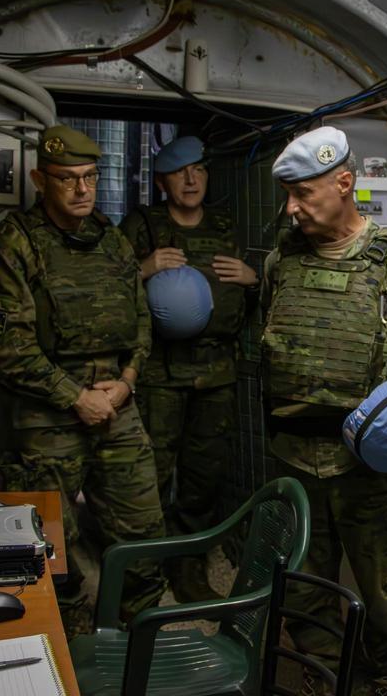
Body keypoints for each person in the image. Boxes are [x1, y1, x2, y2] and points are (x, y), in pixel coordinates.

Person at [261, 126, 387, 695]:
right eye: (288, 194)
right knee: (304, 582)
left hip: (366, 465)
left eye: (303, 193)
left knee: (381, 587)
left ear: (345, 183)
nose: (292, 207)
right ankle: (323, 672)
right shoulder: (282, 262)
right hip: (293, 454)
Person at [0, 125, 166, 636]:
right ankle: (65, 643)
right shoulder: (16, 242)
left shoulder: (112, 239)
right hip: (48, 414)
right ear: (40, 180)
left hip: (117, 404)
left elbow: (141, 320)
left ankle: (142, 636)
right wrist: (75, 397)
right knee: (49, 546)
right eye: (68, 179)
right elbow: (9, 348)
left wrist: (128, 380)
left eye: (90, 177)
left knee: (142, 530)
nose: (83, 189)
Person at [118, 135, 258, 604]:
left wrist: (252, 279)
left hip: (216, 373)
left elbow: (247, 289)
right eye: (180, 173)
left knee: (203, 476)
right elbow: (107, 288)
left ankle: (188, 564)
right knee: (152, 473)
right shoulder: (143, 225)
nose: (192, 179)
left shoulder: (223, 223)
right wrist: (142, 268)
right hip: (160, 374)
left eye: (198, 169)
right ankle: (145, 567)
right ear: (162, 183)